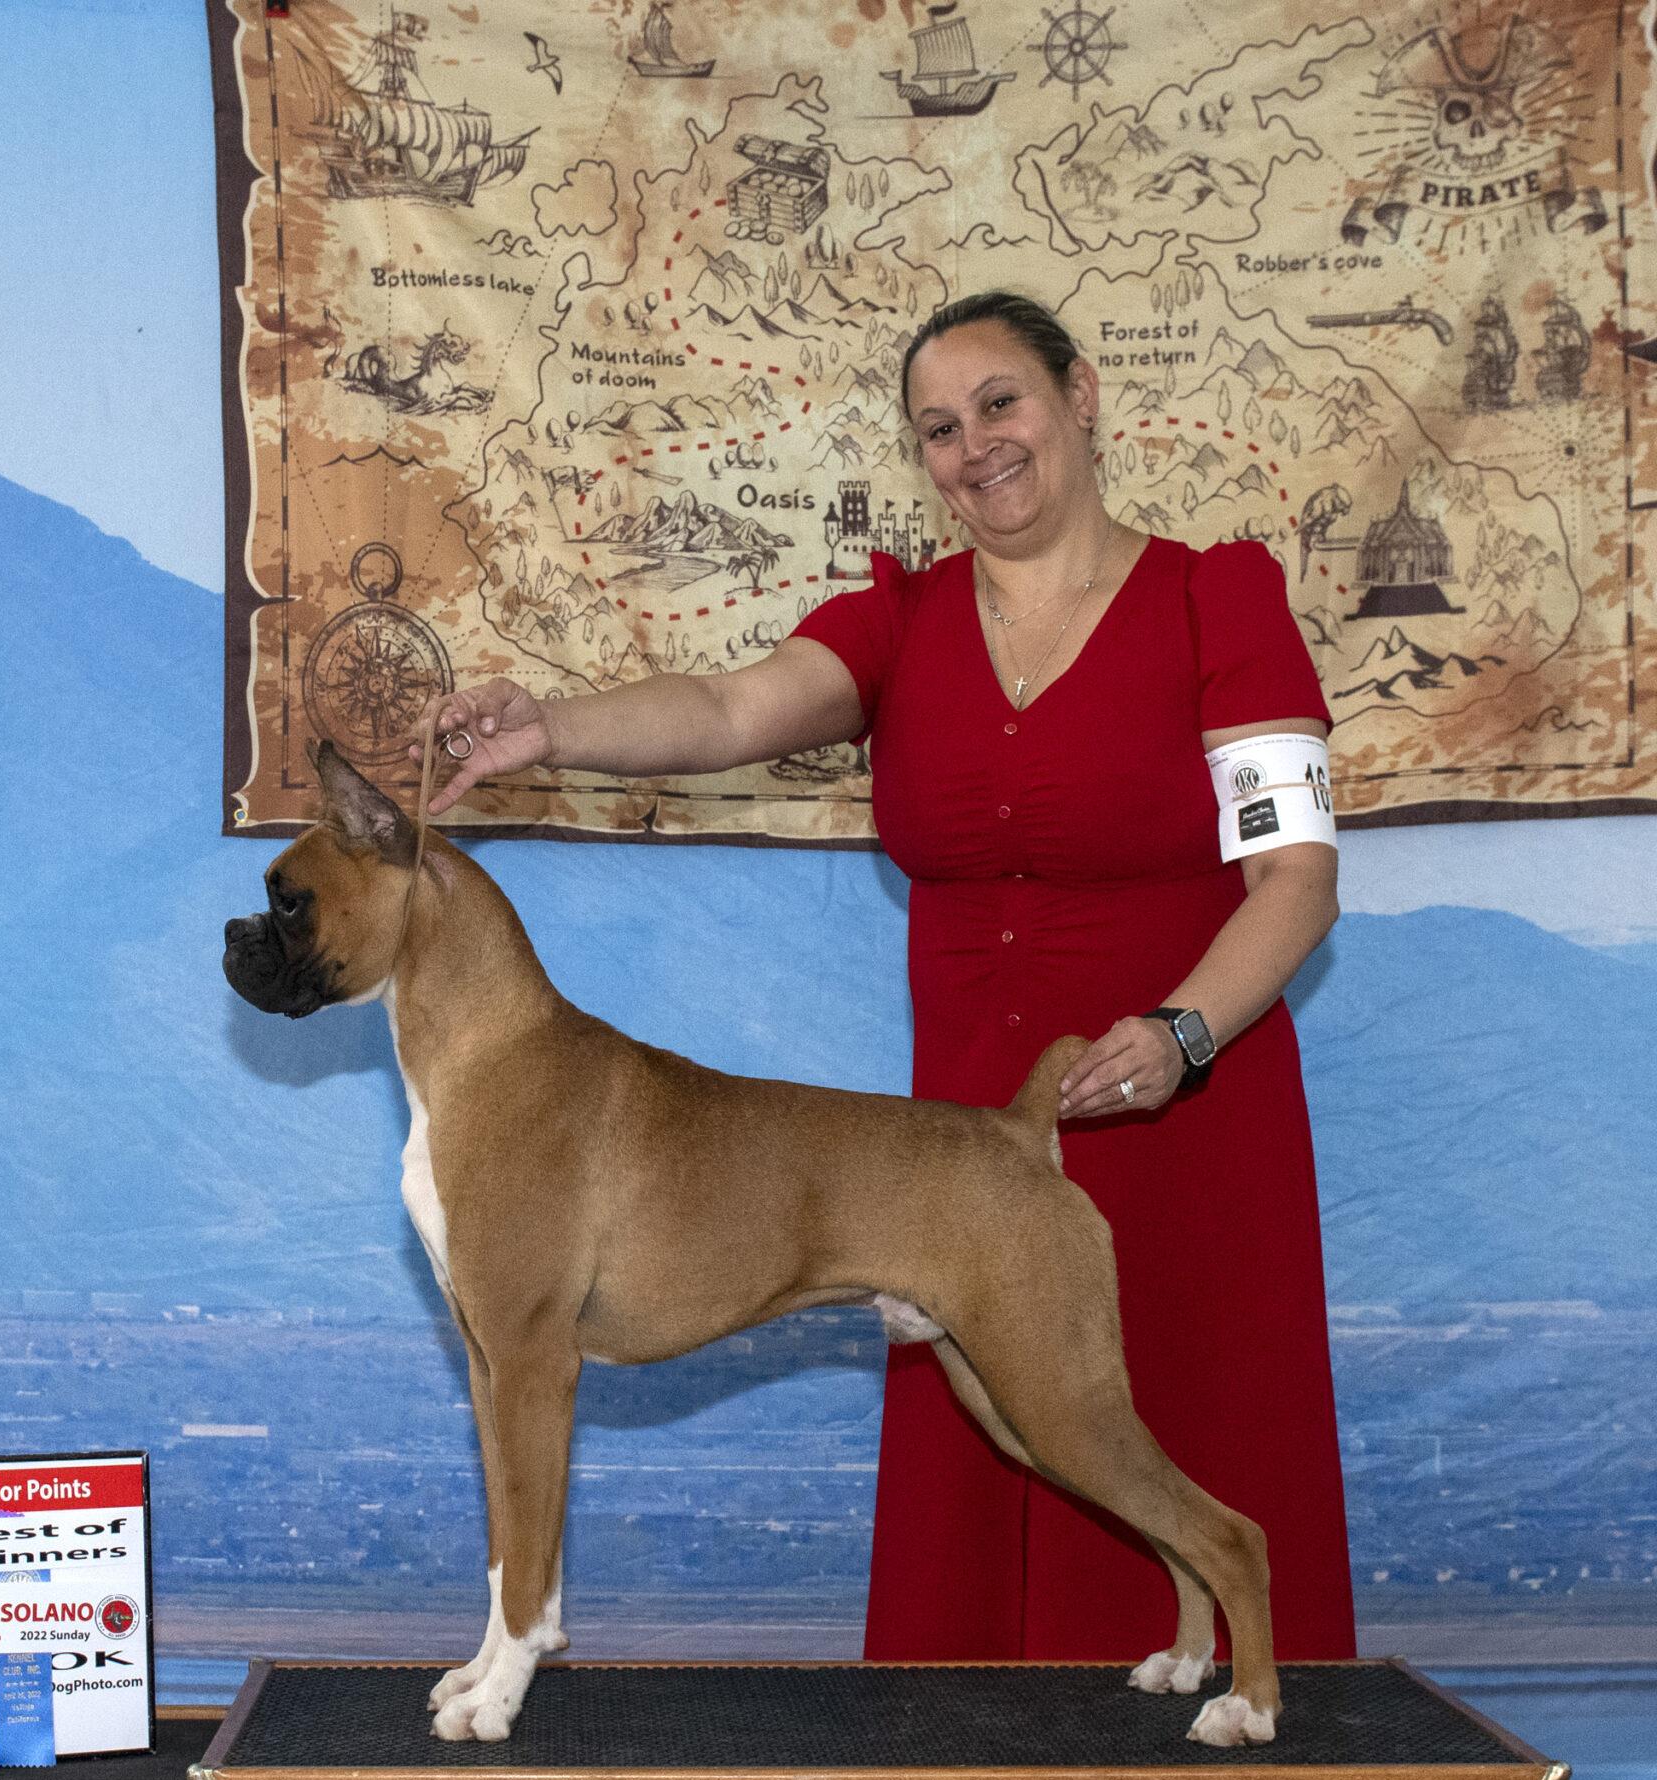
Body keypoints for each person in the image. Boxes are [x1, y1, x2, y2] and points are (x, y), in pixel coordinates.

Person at [409, 289, 1357, 1665]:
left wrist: (1181, 1035)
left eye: (1000, 403)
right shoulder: (902, 622)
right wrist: (549, 726)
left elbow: (1298, 882)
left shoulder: (1219, 600)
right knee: (984, 1515)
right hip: (957, 1138)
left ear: (1082, 395)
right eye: (938, 430)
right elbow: (725, 708)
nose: (975, 445)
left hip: (1188, 1112)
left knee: (1182, 1430)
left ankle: (1249, 1697)